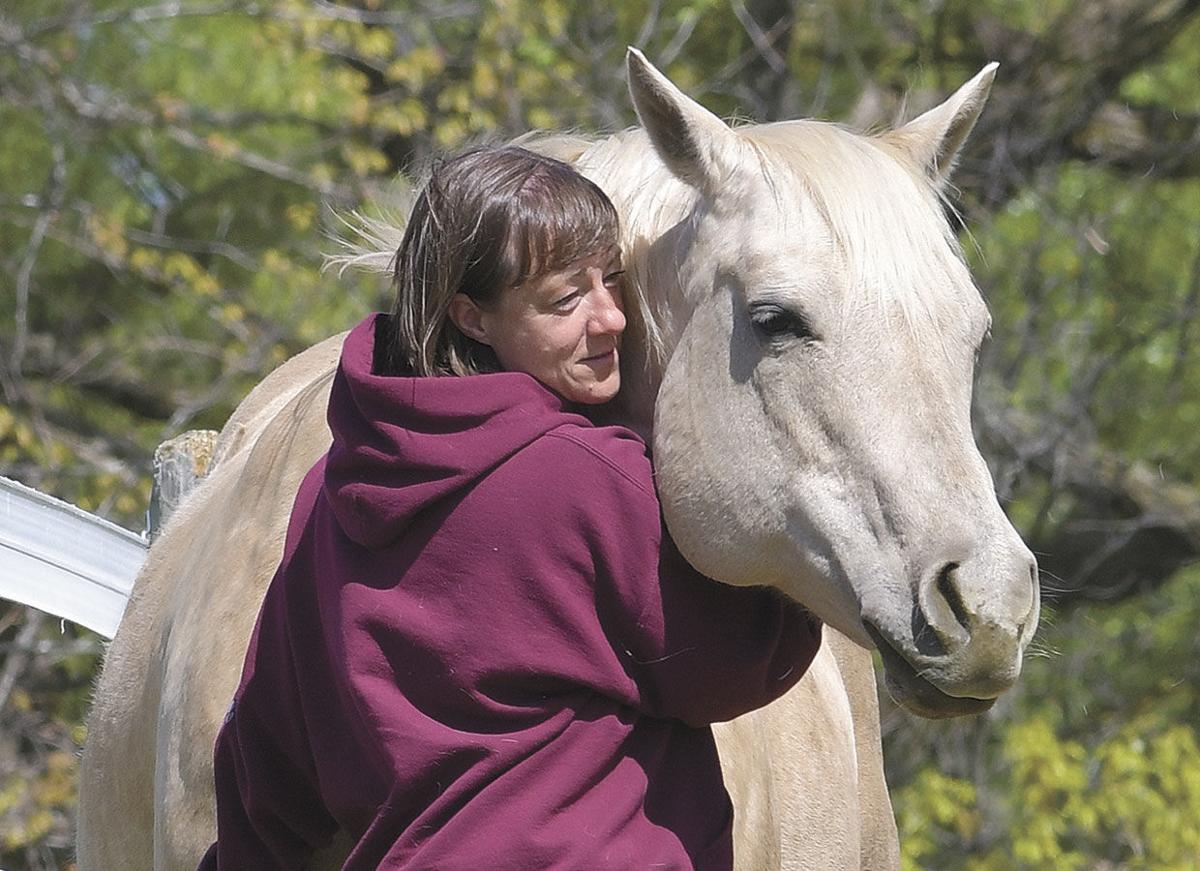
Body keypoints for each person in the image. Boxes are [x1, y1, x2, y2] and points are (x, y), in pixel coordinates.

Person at [198, 145, 822, 870]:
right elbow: (737, 660)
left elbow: (267, 763)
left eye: (612, 279)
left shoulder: (327, 495)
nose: (612, 317)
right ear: (473, 315)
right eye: (566, 300)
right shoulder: (587, 478)